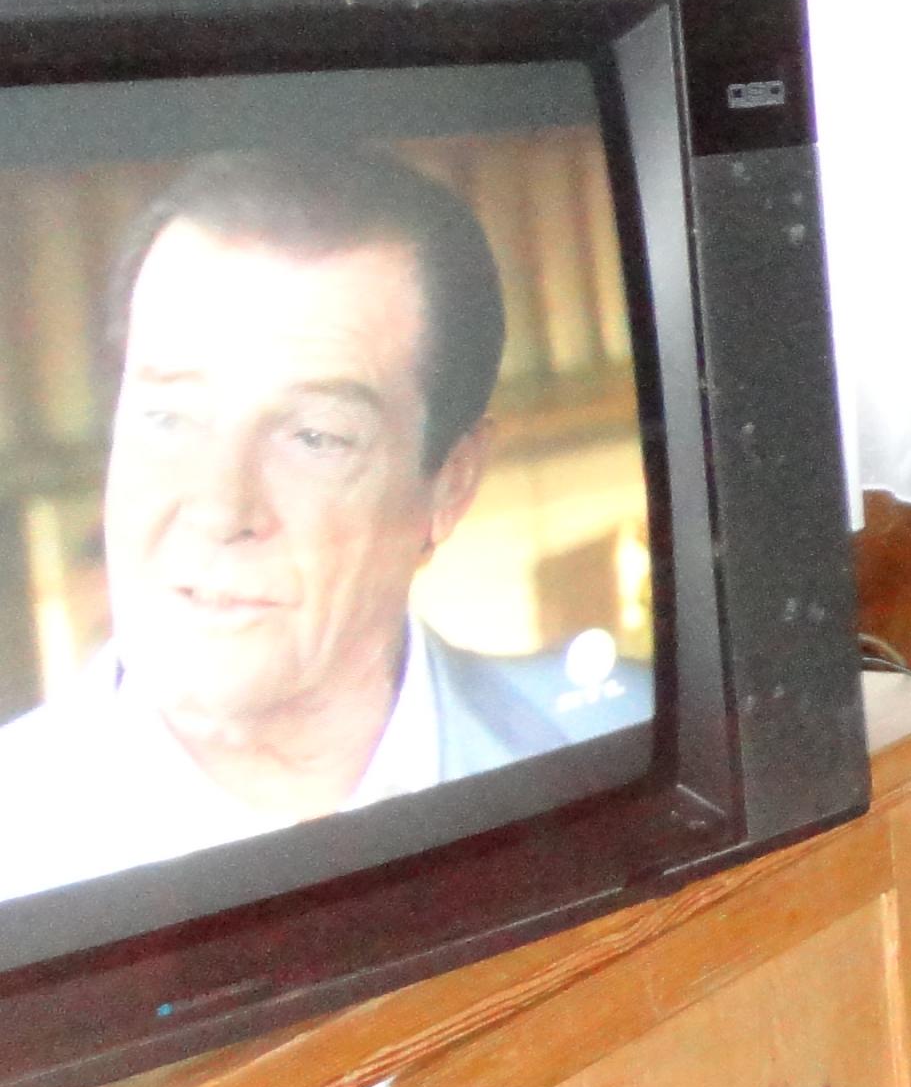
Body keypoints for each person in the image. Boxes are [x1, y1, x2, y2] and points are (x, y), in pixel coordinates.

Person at [0, 143, 650, 902]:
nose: (220, 509)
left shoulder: (617, 734)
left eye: (315, 437)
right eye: (168, 418)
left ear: (450, 486)